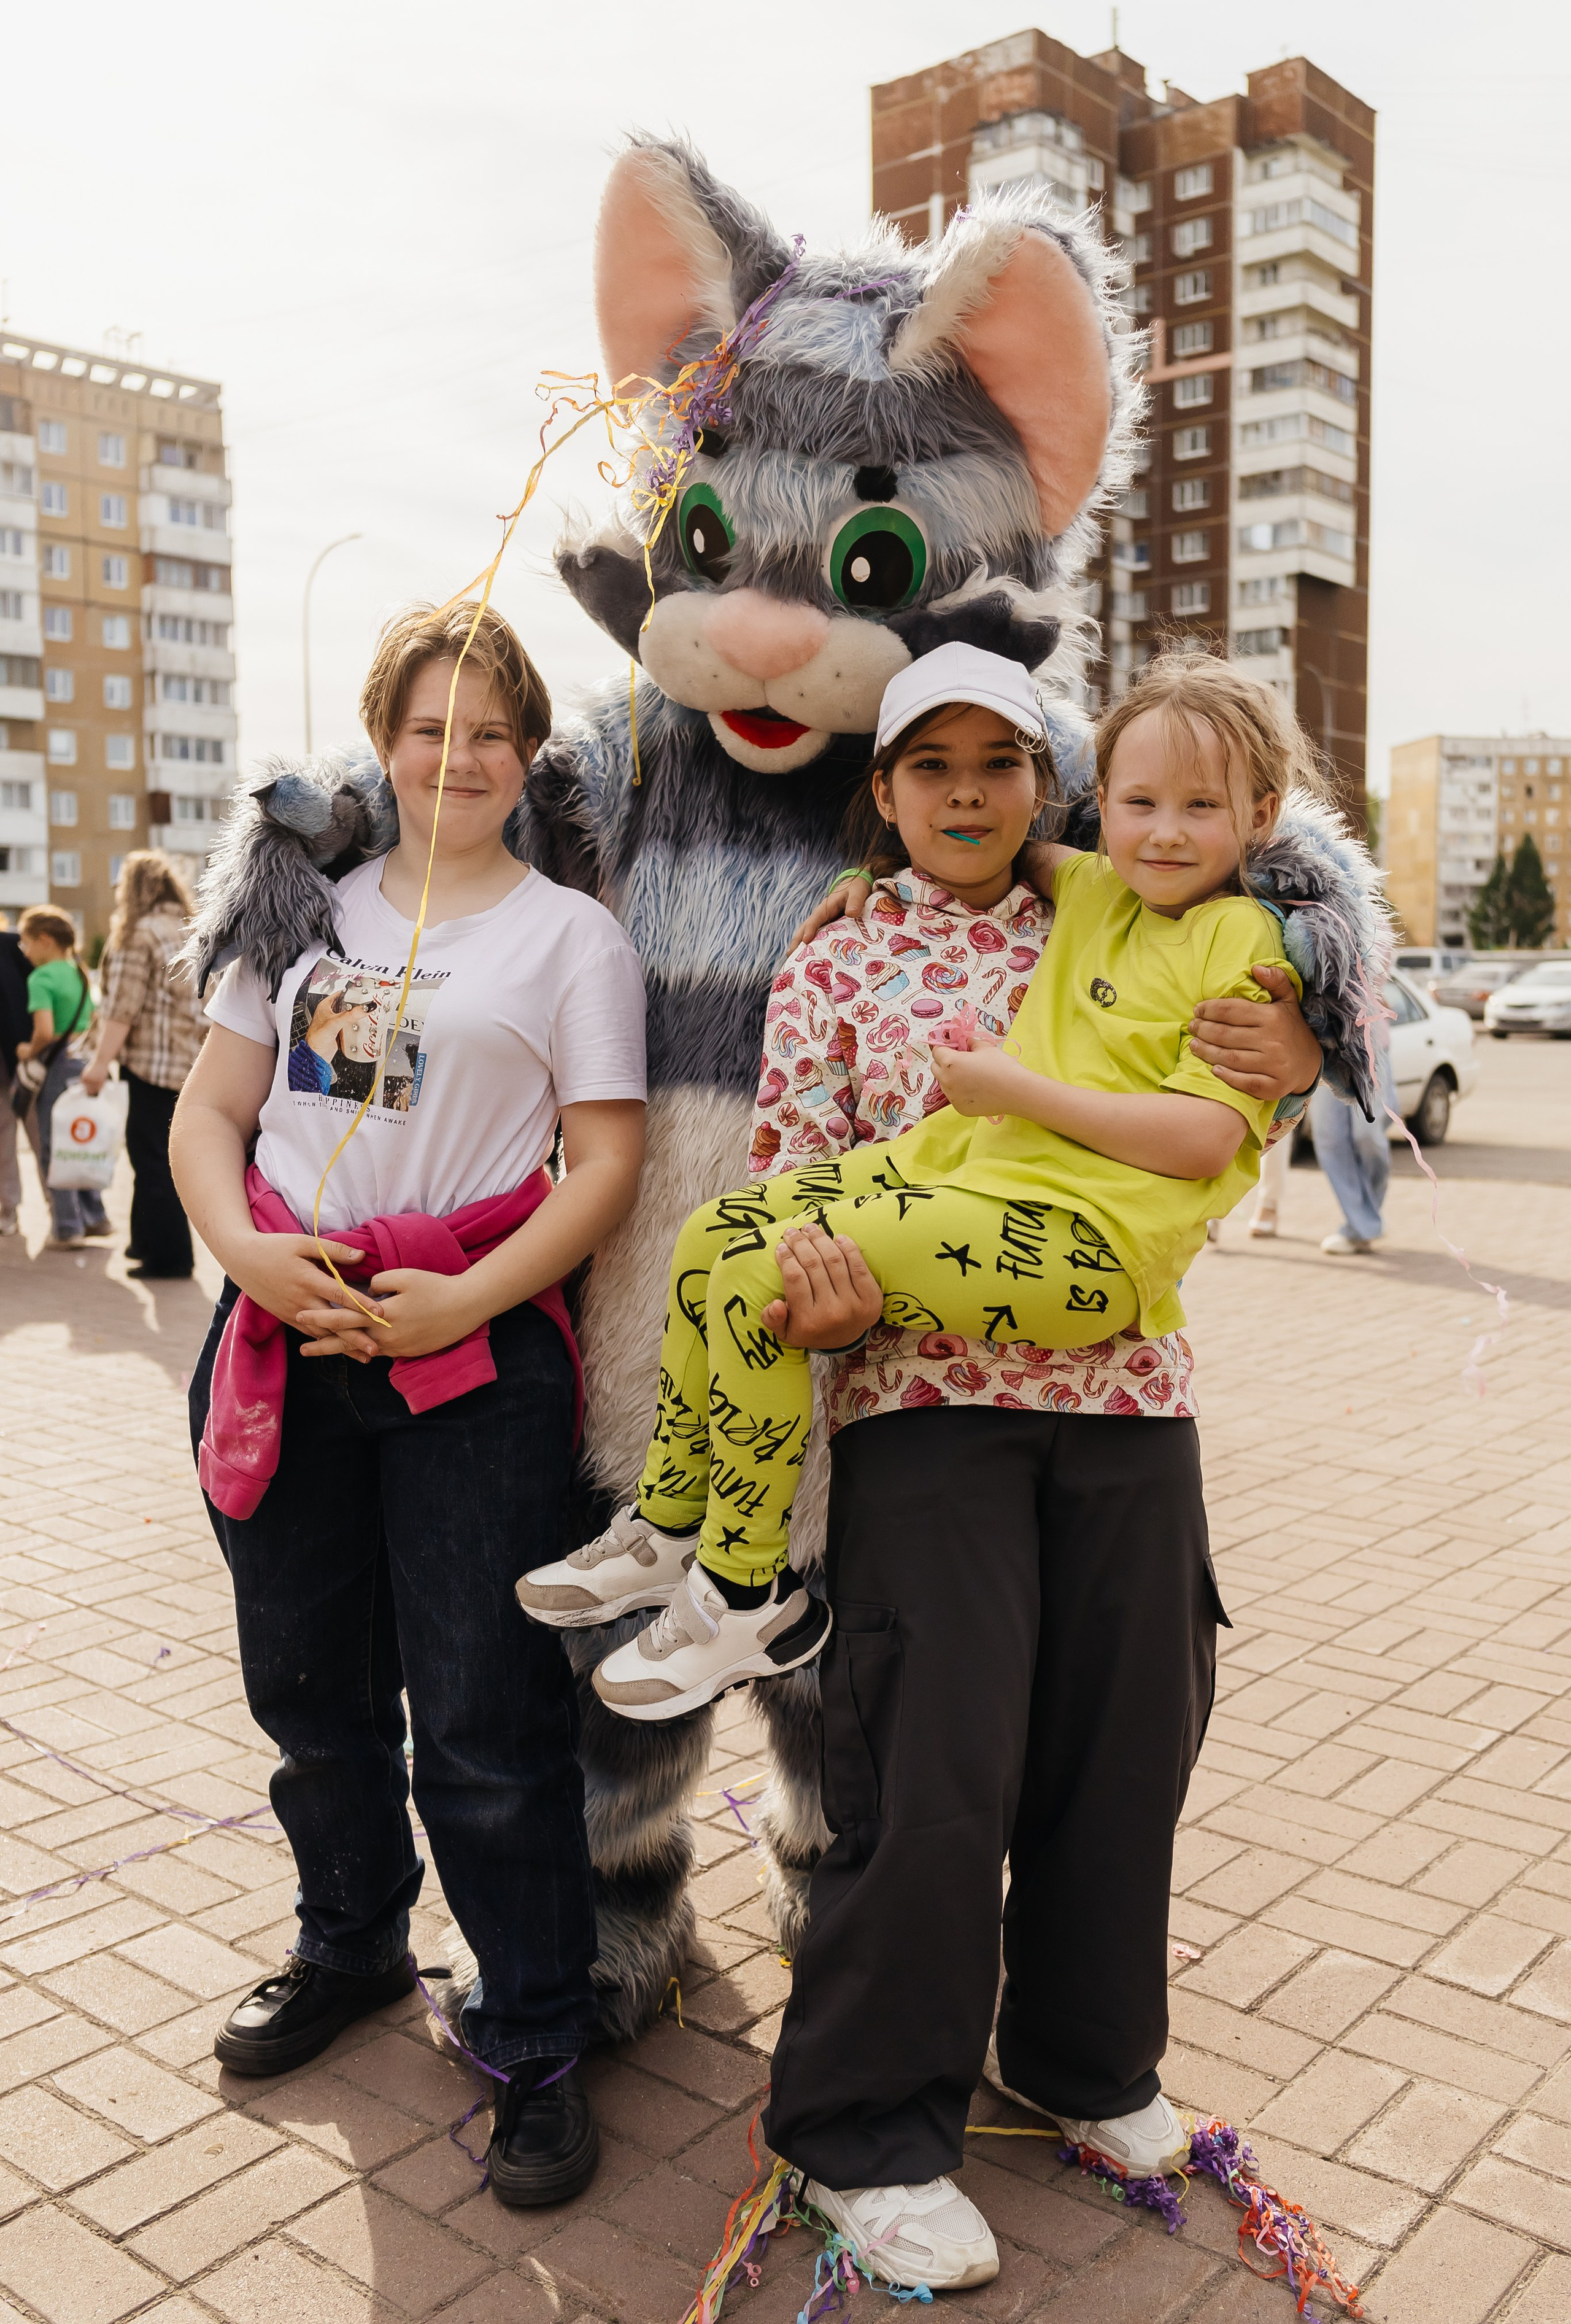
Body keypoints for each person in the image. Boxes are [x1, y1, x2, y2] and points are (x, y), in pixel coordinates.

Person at [521, 648, 1317, 1727]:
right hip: (932, 1344)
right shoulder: (1034, 898)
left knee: (1094, 1743)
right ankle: (674, 1526)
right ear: (886, 790)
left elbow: (1230, 1102)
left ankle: (751, 1589)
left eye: (1001, 765)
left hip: (1093, 1318)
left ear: (1044, 782)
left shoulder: (1196, 923)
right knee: (716, 1236)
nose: (969, 794)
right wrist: (869, 885)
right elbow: (1026, 852)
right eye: (932, 768)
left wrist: (1300, 1045)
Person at [172, 602, 647, 2208]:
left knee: (489, 1727)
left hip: (473, 1351)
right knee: (307, 1688)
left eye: (493, 733)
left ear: (530, 757)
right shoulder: (301, 910)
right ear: (387, 738)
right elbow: (212, 1114)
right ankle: (350, 1944)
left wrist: (469, 1296)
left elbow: (606, 1162)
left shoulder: (569, 937)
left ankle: (532, 2038)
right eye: (432, 728)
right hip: (287, 1330)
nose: (460, 758)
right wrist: (247, 1251)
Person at [81, 849, 206, 1279]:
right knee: (160, 1156)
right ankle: (144, 1241)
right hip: (190, 1062)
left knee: (151, 1160)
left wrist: (99, 1063)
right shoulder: (191, 929)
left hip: (150, 1065)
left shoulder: (140, 933)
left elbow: (122, 1009)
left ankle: (170, 1258)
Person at [13, 904, 110, 1250]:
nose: (24, 951)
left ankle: (68, 1227)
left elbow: (45, 1030)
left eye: (26, 943)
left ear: (44, 940)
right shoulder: (79, 971)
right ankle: (96, 1216)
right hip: (83, 1061)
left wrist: (27, 1049)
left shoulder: (41, 977)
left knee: (54, 1147)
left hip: (55, 1064)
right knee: (82, 1141)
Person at [1310, 1026, 1395, 1255]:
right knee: (1330, 1139)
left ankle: (1368, 1216)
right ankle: (1361, 1226)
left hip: (1369, 1042)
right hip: (1318, 1044)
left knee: (1367, 1134)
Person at [0, 921, 31, 1238]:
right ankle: (8, 1210)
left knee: (43, 1142)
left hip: (27, 1063)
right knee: (3, 1144)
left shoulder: (11, 944)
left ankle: (67, 1215)